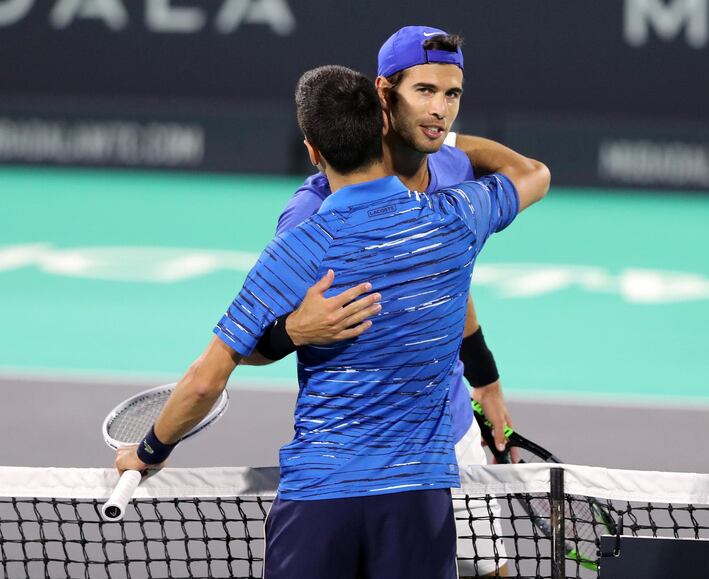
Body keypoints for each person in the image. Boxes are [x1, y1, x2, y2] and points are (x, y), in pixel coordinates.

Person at [115, 64, 549, 578]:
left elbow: (207, 379)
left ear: (313, 151)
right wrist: (445, 134)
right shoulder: (456, 218)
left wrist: (149, 452)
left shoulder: (298, 248)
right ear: (382, 128)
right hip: (419, 496)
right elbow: (532, 175)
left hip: (321, 494)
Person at [247, 26, 517, 576]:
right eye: (424, 92)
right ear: (384, 94)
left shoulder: (448, 167)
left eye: (451, 95)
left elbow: (447, 283)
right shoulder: (313, 212)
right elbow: (256, 337)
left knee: (494, 572)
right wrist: (294, 331)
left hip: (450, 432)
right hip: (360, 463)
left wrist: (485, 383)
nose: (439, 109)